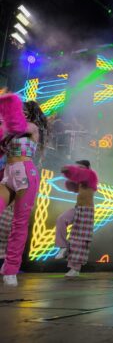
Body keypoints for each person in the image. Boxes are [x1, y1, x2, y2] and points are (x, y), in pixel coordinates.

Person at [0, 94, 47, 286]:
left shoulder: (32, 129)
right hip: (8, 173)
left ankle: (11, 268)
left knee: (19, 223)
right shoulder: (7, 133)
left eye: (23, 112)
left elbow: (16, 126)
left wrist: (6, 113)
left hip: (26, 174)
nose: (21, 114)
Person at [54, 160, 98, 277]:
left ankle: (75, 269)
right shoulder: (81, 180)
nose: (79, 169)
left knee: (79, 239)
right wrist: (70, 179)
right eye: (78, 167)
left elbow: (79, 173)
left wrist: (69, 170)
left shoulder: (91, 175)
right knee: (61, 219)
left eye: (81, 167)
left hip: (87, 211)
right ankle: (63, 246)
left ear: (87, 168)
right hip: (78, 209)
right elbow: (73, 185)